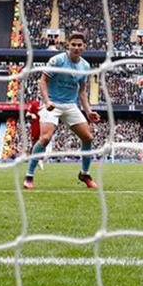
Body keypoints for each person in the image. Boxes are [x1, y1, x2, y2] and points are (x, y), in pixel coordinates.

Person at [24, 32, 100, 190]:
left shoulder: (85, 66)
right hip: (52, 103)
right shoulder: (57, 60)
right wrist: (47, 101)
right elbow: (43, 81)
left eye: (80, 45)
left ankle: (84, 173)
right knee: (45, 138)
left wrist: (88, 112)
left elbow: (82, 92)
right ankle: (29, 175)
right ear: (68, 45)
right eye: (74, 44)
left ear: (84, 47)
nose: (77, 47)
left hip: (71, 106)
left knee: (88, 138)